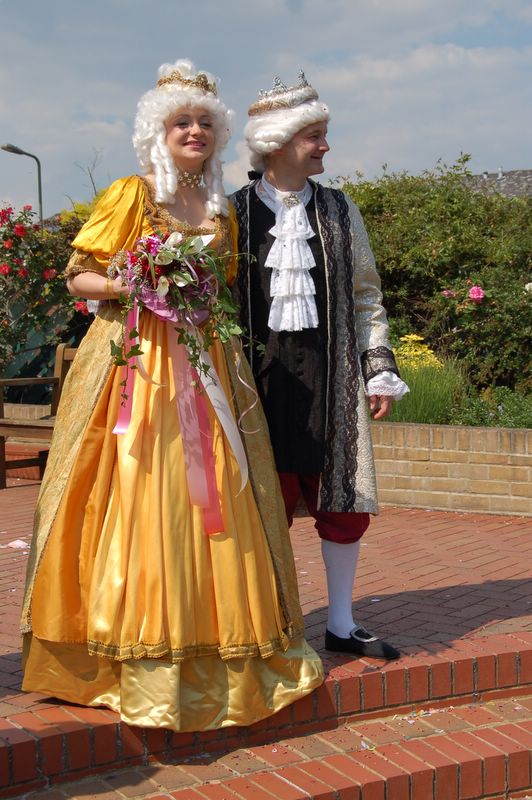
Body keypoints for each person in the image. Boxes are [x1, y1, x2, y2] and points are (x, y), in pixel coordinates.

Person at [20, 60, 323, 731]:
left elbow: (226, 288)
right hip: (136, 366)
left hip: (209, 362)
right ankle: (131, 654)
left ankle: (219, 643)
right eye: (182, 122)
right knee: (144, 488)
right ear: (158, 132)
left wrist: (194, 292)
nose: (194, 132)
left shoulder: (221, 210)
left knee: (218, 492)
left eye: (204, 123)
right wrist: (139, 284)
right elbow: (80, 278)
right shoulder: (132, 195)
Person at [231, 72, 409, 661]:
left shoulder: (337, 209)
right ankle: (268, 627)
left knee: (341, 504)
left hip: (330, 380)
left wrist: (377, 366)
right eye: (315, 135)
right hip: (255, 387)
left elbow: (366, 295)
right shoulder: (228, 215)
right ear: (278, 142)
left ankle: (340, 622)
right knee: (261, 508)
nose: (325, 146)